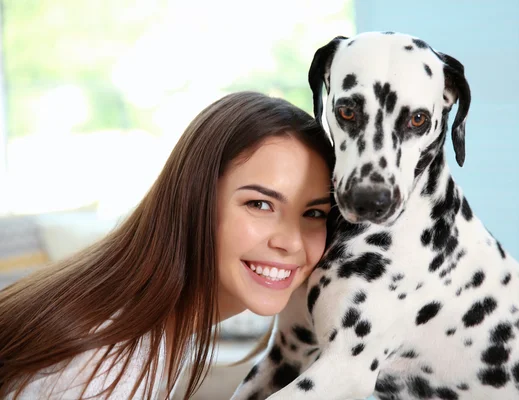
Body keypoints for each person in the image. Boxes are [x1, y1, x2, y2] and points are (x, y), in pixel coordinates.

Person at [0, 91, 336, 399]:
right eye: (260, 204)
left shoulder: (150, 332)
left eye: (314, 212)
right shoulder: (105, 366)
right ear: (195, 199)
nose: (291, 241)